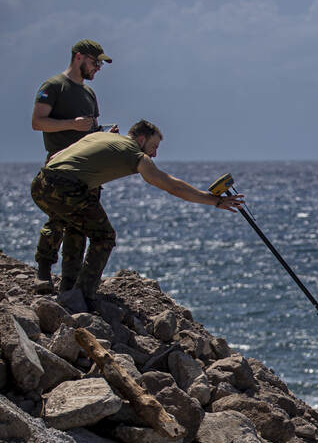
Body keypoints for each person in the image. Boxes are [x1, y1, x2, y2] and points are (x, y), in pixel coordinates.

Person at [29, 119, 245, 306]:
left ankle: (68, 289)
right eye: (154, 146)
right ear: (141, 139)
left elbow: (57, 155)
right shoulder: (134, 152)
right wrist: (214, 201)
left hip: (40, 183)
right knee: (104, 236)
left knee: (77, 227)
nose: (155, 154)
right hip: (66, 187)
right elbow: (172, 186)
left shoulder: (99, 136)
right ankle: (83, 296)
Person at [31, 39, 121, 292]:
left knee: (79, 227)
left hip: (87, 171)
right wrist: (71, 124)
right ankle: (43, 272)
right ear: (79, 57)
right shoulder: (54, 86)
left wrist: (105, 135)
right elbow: (38, 122)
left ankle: (70, 284)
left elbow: (89, 131)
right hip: (60, 167)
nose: (98, 68)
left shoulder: (89, 93)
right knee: (57, 219)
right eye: (95, 62)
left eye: (100, 64)